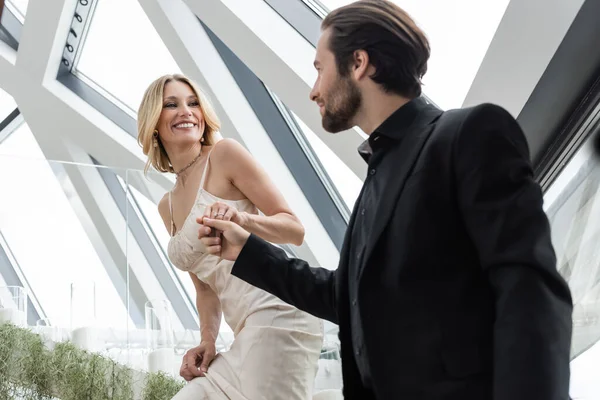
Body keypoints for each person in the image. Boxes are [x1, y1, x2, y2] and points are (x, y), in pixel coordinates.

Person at [195, 1, 574, 399]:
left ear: (358, 63)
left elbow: (528, 287)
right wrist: (245, 250)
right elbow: (344, 297)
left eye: (319, 69)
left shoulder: (469, 134)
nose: (313, 90)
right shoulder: (375, 180)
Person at [137, 74, 323, 399]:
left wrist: (243, 220)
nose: (186, 111)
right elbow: (206, 290)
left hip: (277, 314)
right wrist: (207, 340)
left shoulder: (223, 155)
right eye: (172, 104)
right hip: (242, 334)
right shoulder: (166, 206)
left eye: (193, 103)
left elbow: (294, 228)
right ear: (154, 122)